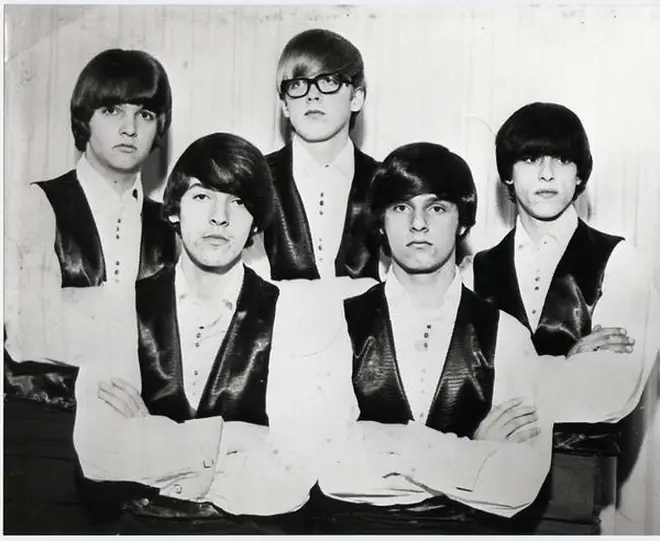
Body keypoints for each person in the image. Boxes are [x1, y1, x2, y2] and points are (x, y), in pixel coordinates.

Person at [305, 142, 657, 534]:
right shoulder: (337, 321)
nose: (418, 223)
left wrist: (385, 446)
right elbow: (325, 465)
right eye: (401, 207)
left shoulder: (507, 336)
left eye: (436, 208)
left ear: (463, 222)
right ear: (381, 222)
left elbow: (515, 485)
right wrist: (470, 450)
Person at [73, 132, 332, 534]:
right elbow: (98, 454)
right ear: (174, 209)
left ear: (256, 224)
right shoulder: (120, 306)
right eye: (201, 197)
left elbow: (293, 472)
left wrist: (151, 440)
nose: (219, 217)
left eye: (238, 201)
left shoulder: (290, 314)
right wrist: (237, 439)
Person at [3, 48, 177, 534]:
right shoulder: (36, 202)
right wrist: (133, 330)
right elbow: (26, 335)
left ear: (159, 127)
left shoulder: (173, 227)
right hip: (45, 434)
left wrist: (77, 307)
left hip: (144, 444)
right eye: (112, 110)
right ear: (86, 119)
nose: (129, 128)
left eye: (144, 114)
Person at [466, 102, 660, 532]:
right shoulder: (473, 269)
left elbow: (607, 391)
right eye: (531, 159)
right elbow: (454, 383)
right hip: (480, 477)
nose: (548, 174)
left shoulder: (622, 261)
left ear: (580, 176)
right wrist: (568, 363)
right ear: (507, 175)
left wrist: (504, 378)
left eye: (563, 159)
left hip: (570, 479)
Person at [244, 28, 381, 282]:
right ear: (285, 104)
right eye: (297, 84)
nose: (312, 95)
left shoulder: (384, 182)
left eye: (329, 81)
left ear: (357, 98)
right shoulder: (254, 179)